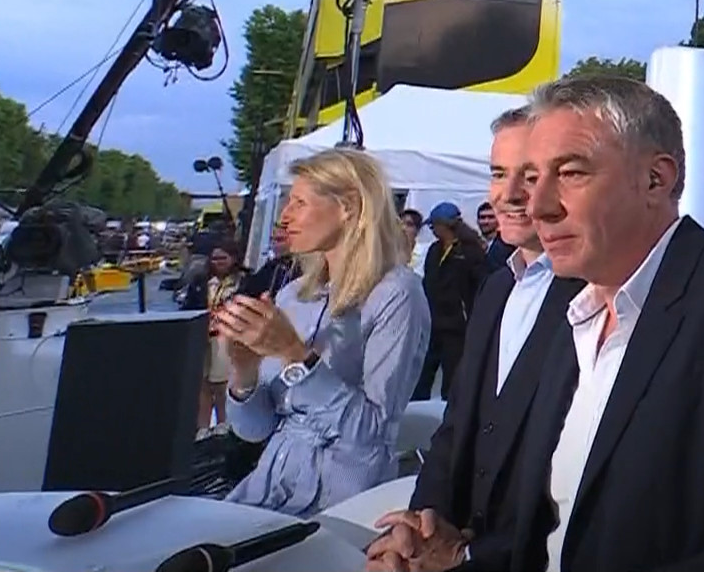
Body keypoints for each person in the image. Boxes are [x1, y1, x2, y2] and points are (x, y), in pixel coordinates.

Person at [444, 75, 704, 572]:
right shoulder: (573, 313)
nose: (537, 207)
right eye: (535, 179)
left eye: (571, 173)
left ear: (655, 180)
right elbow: (553, 528)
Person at [368, 107, 582, 572]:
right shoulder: (498, 287)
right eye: (498, 173)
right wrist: (421, 523)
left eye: (530, 175)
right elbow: (457, 424)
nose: (509, 193)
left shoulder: (598, 295)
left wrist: (468, 558)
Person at [214, 147, 430, 516]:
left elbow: (371, 435)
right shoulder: (295, 295)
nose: (284, 216)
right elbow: (255, 430)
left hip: (340, 503)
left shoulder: (397, 294)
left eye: (299, 203)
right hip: (268, 490)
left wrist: (295, 354)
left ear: (348, 207)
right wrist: (244, 371)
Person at [414, 203, 490, 401]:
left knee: (453, 371)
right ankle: (417, 403)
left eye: (435, 226)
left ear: (445, 225)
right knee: (424, 369)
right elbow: (429, 280)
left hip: (457, 324)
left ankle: (450, 407)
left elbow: (480, 285)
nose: (433, 231)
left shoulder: (470, 251)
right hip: (433, 321)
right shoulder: (434, 250)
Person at [180, 240, 244, 433]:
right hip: (203, 338)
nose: (218, 262)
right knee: (203, 386)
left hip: (226, 338)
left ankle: (224, 426)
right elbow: (189, 307)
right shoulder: (201, 282)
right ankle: (202, 429)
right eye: (214, 258)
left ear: (233, 258)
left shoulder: (242, 282)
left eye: (223, 258)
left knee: (222, 385)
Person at [479, 201, 513, 271]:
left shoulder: (507, 245)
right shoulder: (473, 244)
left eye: (491, 217)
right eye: (482, 217)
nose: (486, 221)